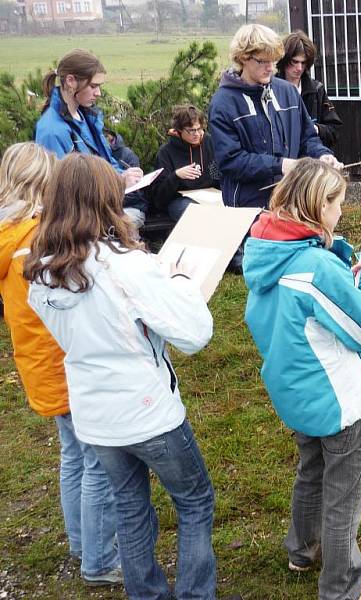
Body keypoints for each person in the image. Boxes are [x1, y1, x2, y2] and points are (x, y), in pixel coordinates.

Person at [25, 153, 217, 599]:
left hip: (95, 412)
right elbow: (194, 334)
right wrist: (183, 282)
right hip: (147, 409)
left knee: (130, 508)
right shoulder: (126, 267)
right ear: (106, 200)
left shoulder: (41, 271)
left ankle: (146, 594)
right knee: (194, 501)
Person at [243, 158, 361, 600]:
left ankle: (301, 549)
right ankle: (343, 586)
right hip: (340, 400)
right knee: (343, 496)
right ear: (318, 205)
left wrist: (339, 256)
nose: (342, 212)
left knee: (311, 472)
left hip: (296, 393)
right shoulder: (316, 269)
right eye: (338, 204)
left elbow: (302, 296)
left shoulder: (266, 251)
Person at [0, 143, 122, 587]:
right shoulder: (34, 243)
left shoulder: (8, 234)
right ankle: (99, 561)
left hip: (38, 365)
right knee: (97, 464)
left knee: (73, 456)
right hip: (64, 364)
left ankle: (80, 541)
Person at [209, 23, 342, 209]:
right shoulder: (223, 103)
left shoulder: (288, 92)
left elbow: (307, 137)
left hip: (291, 201)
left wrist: (321, 155)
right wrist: (279, 165)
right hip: (248, 207)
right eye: (263, 61)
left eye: (273, 60)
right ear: (243, 58)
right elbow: (231, 160)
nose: (271, 68)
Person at [34, 49, 148, 229]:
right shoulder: (51, 130)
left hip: (99, 210)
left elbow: (104, 162)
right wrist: (118, 184)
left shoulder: (85, 116)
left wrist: (123, 176)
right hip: (79, 224)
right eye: (93, 86)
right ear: (71, 81)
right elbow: (62, 192)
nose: (99, 93)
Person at [276, 30, 343, 150]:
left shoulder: (317, 90)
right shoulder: (269, 89)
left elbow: (334, 130)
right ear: (284, 60)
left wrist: (315, 128)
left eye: (303, 62)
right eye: (294, 62)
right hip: (281, 161)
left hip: (312, 158)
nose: (299, 68)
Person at [152, 105, 220, 222]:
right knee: (193, 212)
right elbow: (158, 197)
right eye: (191, 130)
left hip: (212, 195)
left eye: (199, 129)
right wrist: (176, 176)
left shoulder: (209, 143)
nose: (197, 134)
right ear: (179, 130)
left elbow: (220, 176)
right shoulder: (166, 152)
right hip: (180, 200)